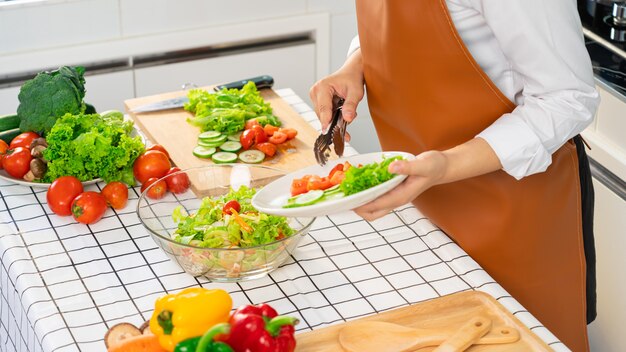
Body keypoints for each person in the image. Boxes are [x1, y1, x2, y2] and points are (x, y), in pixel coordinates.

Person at [309, 1, 599, 351]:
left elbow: (568, 98)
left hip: (516, 211)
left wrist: (446, 165)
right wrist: (357, 63)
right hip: (426, 201)